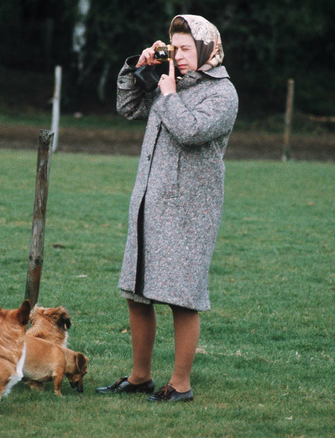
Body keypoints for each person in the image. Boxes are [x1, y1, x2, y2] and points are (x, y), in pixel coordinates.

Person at [95, 15, 239, 402]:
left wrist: (170, 92)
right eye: (175, 49)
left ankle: (180, 385)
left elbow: (190, 131)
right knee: (138, 292)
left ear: (208, 49)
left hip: (190, 211)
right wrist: (138, 69)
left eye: (188, 49)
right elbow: (127, 107)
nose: (181, 56)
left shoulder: (222, 94)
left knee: (181, 297)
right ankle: (139, 376)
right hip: (148, 201)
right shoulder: (167, 81)